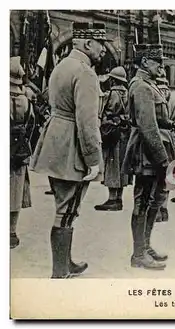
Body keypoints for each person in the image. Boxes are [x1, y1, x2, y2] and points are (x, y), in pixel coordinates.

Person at [30, 22, 109, 278]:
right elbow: (87, 122)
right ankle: (60, 270)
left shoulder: (62, 66)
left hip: (55, 143)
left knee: (63, 206)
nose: (103, 51)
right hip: (72, 148)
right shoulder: (85, 73)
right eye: (100, 45)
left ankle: (66, 262)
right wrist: (94, 160)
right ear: (87, 43)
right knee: (68, 209)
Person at [122, 44, 173, 270]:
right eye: (157, 62)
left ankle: (145, 245)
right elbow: (148, 126)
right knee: (142, 200)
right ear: (145, 62)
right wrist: (163, 159)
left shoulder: (149, 85)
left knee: (154, 199)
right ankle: (138, 253)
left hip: (153, 151)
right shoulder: (141, 86)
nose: (161, 67)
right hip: (147, 152)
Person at [94, 66, 132, 211]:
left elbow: (106, 112)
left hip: (112, 132)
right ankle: (119, 198)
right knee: (122, 164)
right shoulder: (128, 94)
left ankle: (112, 198)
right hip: (124, 133)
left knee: (111, 163)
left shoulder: (111, 94)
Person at [10, 57, 34, 249]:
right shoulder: (26, 100)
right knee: (16, 190)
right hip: (19, 151)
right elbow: (32, 125)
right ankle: (11, 231)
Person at [154, 71, 175, 222]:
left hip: (157, 138)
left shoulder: (152, 93)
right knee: (168, 175)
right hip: (171, 139)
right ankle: (164, 208)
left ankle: (156, 209)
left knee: (155, 174)